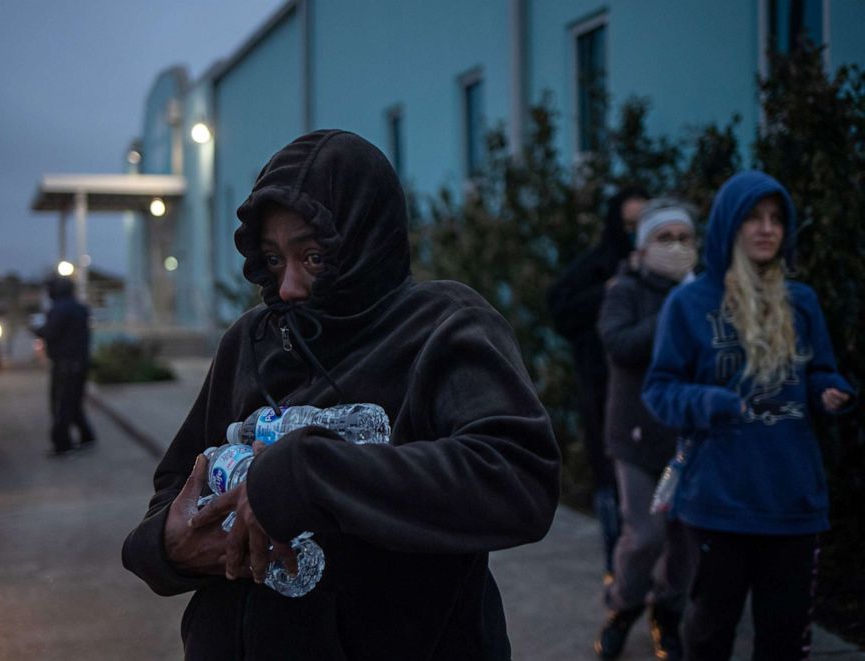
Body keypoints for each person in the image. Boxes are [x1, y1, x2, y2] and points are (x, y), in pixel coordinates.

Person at [122, 129, 561, 661]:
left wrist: (309, 476)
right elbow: (176, 484)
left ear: (366, 240)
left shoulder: (443, 326)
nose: (286, 288)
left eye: (311, 257)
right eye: (273, 258)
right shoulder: (250, 340)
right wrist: (166, 547)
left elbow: (517, 478)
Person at [643, 171, 856, 660]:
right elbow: (659, 389)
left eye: (776, 219)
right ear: (728, 226)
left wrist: (831, 392)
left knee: (782, 641)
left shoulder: (801, 302)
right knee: (709, 635)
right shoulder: (690, 304)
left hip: (793, 500)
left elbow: (822, 370)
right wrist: (712, 402)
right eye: (754, 218)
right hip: (718, 500)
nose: (767, 229)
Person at [594, 199, 699, 660]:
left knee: (686, 545)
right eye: (664, 238)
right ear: (643, 246)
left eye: (684, 238)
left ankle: (667, 616)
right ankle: (622, 608)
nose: (676, 247)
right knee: (645, 537)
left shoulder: (705, 294)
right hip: (636, 437)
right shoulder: (626, 290)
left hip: (690, 437)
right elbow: (619, 344)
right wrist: (675, 310)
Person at [548, 186, 649, 580]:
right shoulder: (595, 268)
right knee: (612, 482)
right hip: (603, 390)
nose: (635, 235)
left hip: (655, 397)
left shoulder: (663, 272)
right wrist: (605, 293)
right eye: (628, 226)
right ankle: (618, 577)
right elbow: (560, 306)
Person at [34, 276, 95, 456]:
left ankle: (63, 445)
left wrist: (36, 330)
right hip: (79, 363)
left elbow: (50, 332)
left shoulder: (60, 309)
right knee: (74, 403)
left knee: (62, 404)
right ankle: (87, 437)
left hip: (66, 365)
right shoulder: (79, 307)